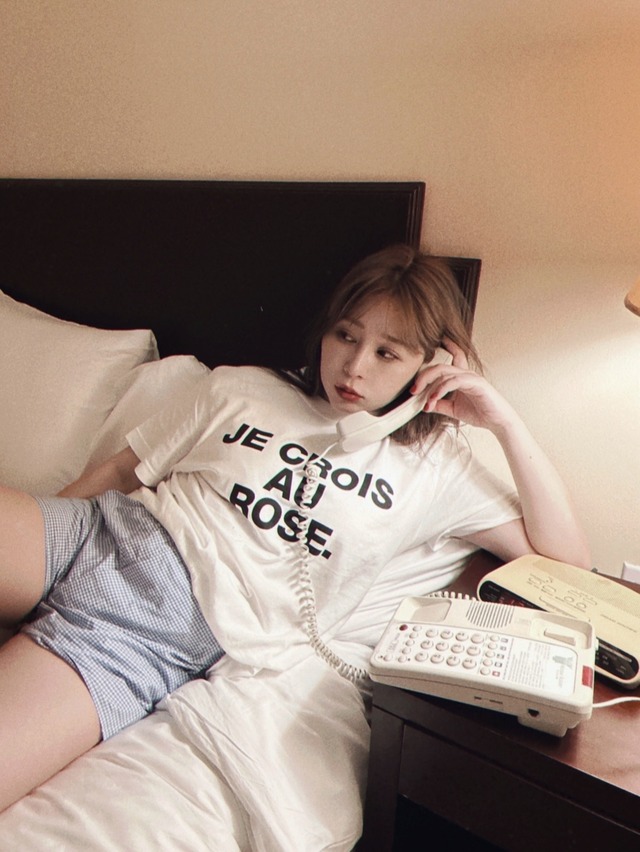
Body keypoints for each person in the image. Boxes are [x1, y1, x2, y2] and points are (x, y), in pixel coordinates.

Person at [0, 244, 590, 812]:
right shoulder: (242, 388)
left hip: (153, 625)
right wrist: (38, 555)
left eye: (387, 353)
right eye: (346, 336)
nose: (354, 367)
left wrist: (502, 421)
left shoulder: (437, 467)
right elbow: (121, 470)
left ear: (430, 364)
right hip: (96, 532)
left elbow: (569, 564)